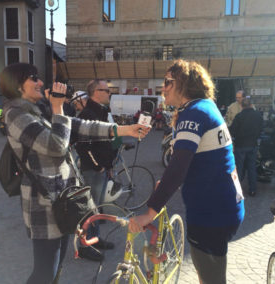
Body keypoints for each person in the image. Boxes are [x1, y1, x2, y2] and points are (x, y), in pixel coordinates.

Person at [0, 63, 149, 284]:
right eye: (34, 78)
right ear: (17, 84)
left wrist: (123, 130)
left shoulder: (37, 109)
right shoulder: (15, 114)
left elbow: (78, 125)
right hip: (43, 202)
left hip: (62, 198)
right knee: (45, 272)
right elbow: (56, 145)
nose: (41, 82)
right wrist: (58, 108)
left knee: (56, 265)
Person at [129, 59, 245, 284]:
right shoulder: (205, 106)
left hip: (211, 215)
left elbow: (178, 168)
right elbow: (198, 160)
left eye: (167, 82)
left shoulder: (194, 113)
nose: (163, 88)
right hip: (224, 207)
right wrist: (166, 183)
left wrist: (150, 213)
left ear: (183, 83)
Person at [75, 79, 117, 261]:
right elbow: (83, 146)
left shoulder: (101, 111)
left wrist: (109, 166)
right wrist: (98, 166)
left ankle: (95, 239)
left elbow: (105, 142)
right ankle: (84, 246)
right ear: (95, 92)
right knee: (89, 209)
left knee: (97, 208)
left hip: (101, 168)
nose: (109, 93)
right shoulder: (88, 113)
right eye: (105, 90)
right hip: (93, 170)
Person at [229, 97, 263, 197]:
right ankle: (252, 190)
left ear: (241, 106)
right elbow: (262, 128)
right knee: (252, 168)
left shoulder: (239, 116)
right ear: (251, 105)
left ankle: (237, 191)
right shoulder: (258, 115)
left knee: (239, 168)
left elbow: (232, 131)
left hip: (241, 145)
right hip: (253, 144)